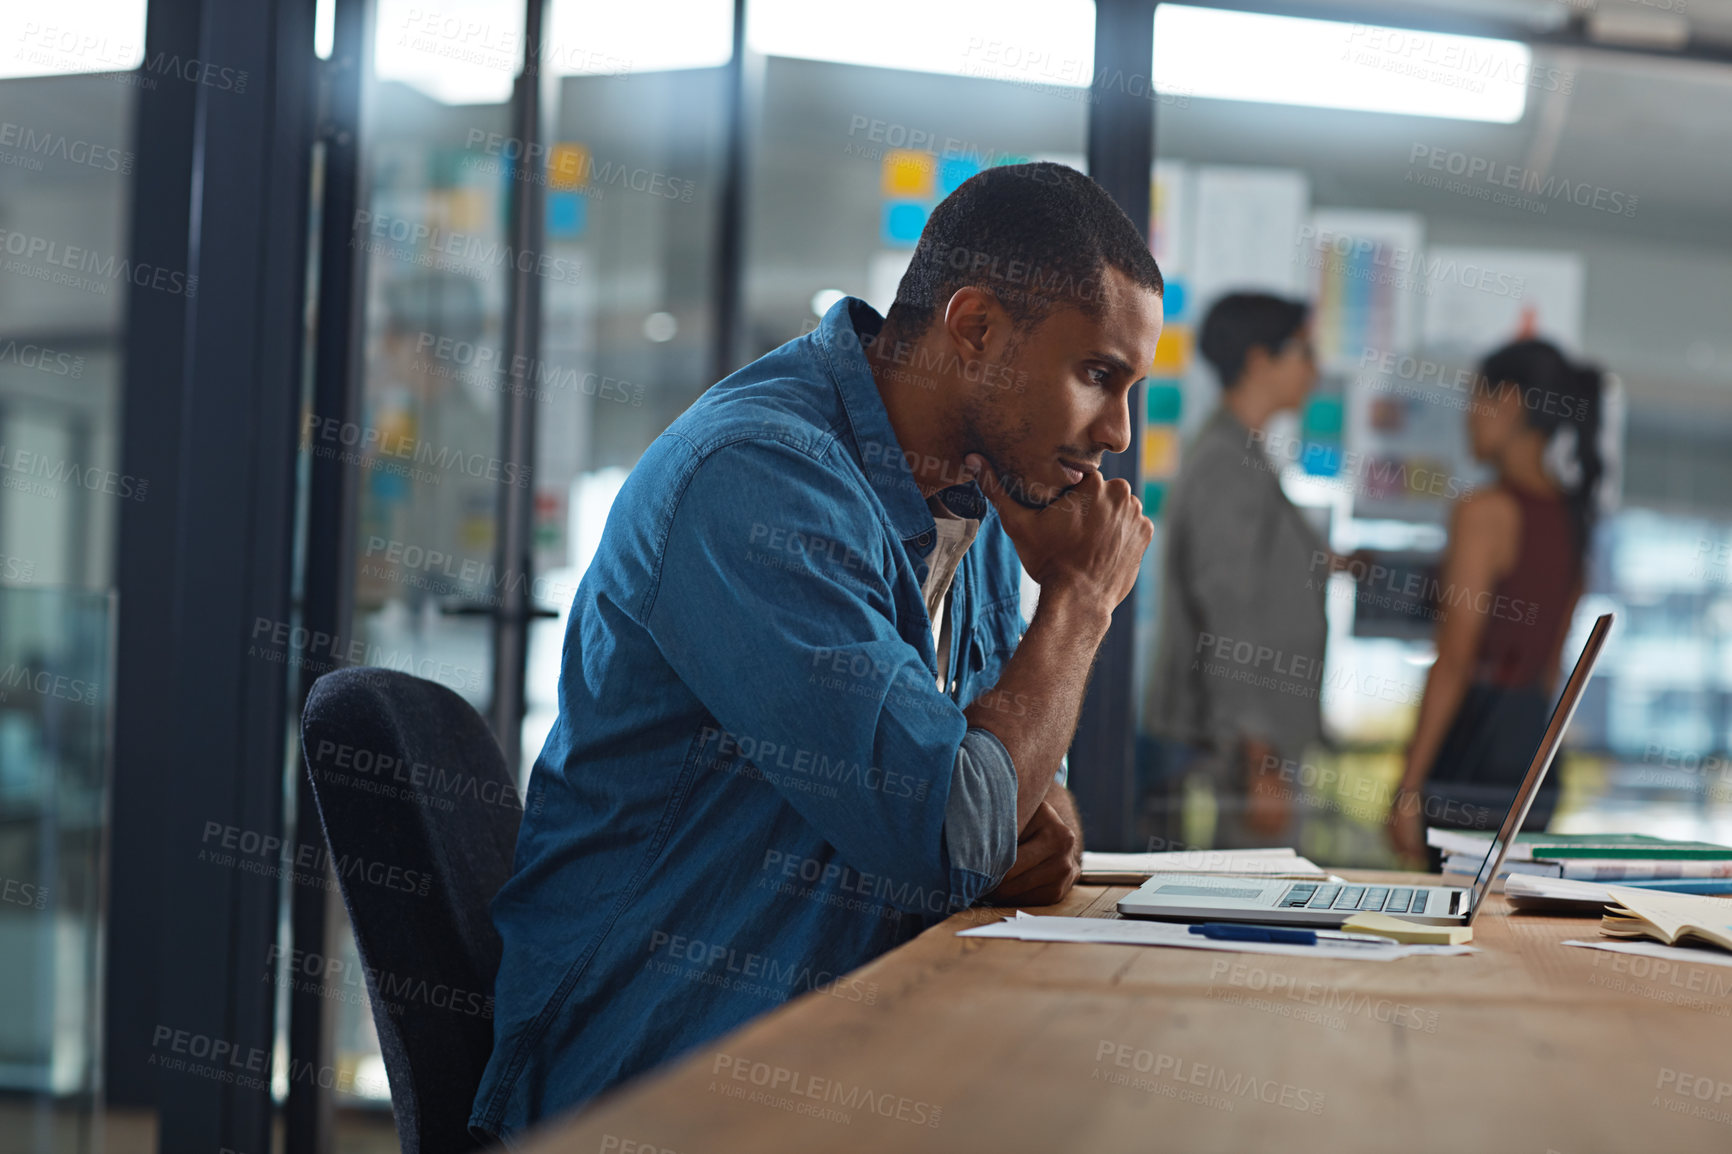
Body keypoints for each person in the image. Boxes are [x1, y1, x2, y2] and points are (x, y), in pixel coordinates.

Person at [469, 162, 1163, 1141]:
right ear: (974, 329)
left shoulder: (970, 498)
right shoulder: (758, 477)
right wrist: (1079, 601)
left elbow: (1010, 798)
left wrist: (1009, 800)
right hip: (649, 1080)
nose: (1119, 433)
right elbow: (954, 835)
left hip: (833, 1051)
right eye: (1097, 374)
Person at [1148, 292, 1355, 848]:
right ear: (1259, 360)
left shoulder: (1246, 455)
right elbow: (1227, 609)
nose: (1315, 369)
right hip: (1244, 746)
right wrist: (1257, 753)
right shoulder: (1225, 463)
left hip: (1261, 736)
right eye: (1304, 350)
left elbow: (1260, 572)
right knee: (1250, 906)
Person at [1387, 339, 1604, 860]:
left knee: (1446, 917)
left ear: (1506, 401)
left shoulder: (1485, 511)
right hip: (1534, 752)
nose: (1467, 417)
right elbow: (1551, 667)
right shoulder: (1574, 518)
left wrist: (1408, 786)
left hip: (1473, 748)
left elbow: (1457, 658)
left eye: (1473, 399)